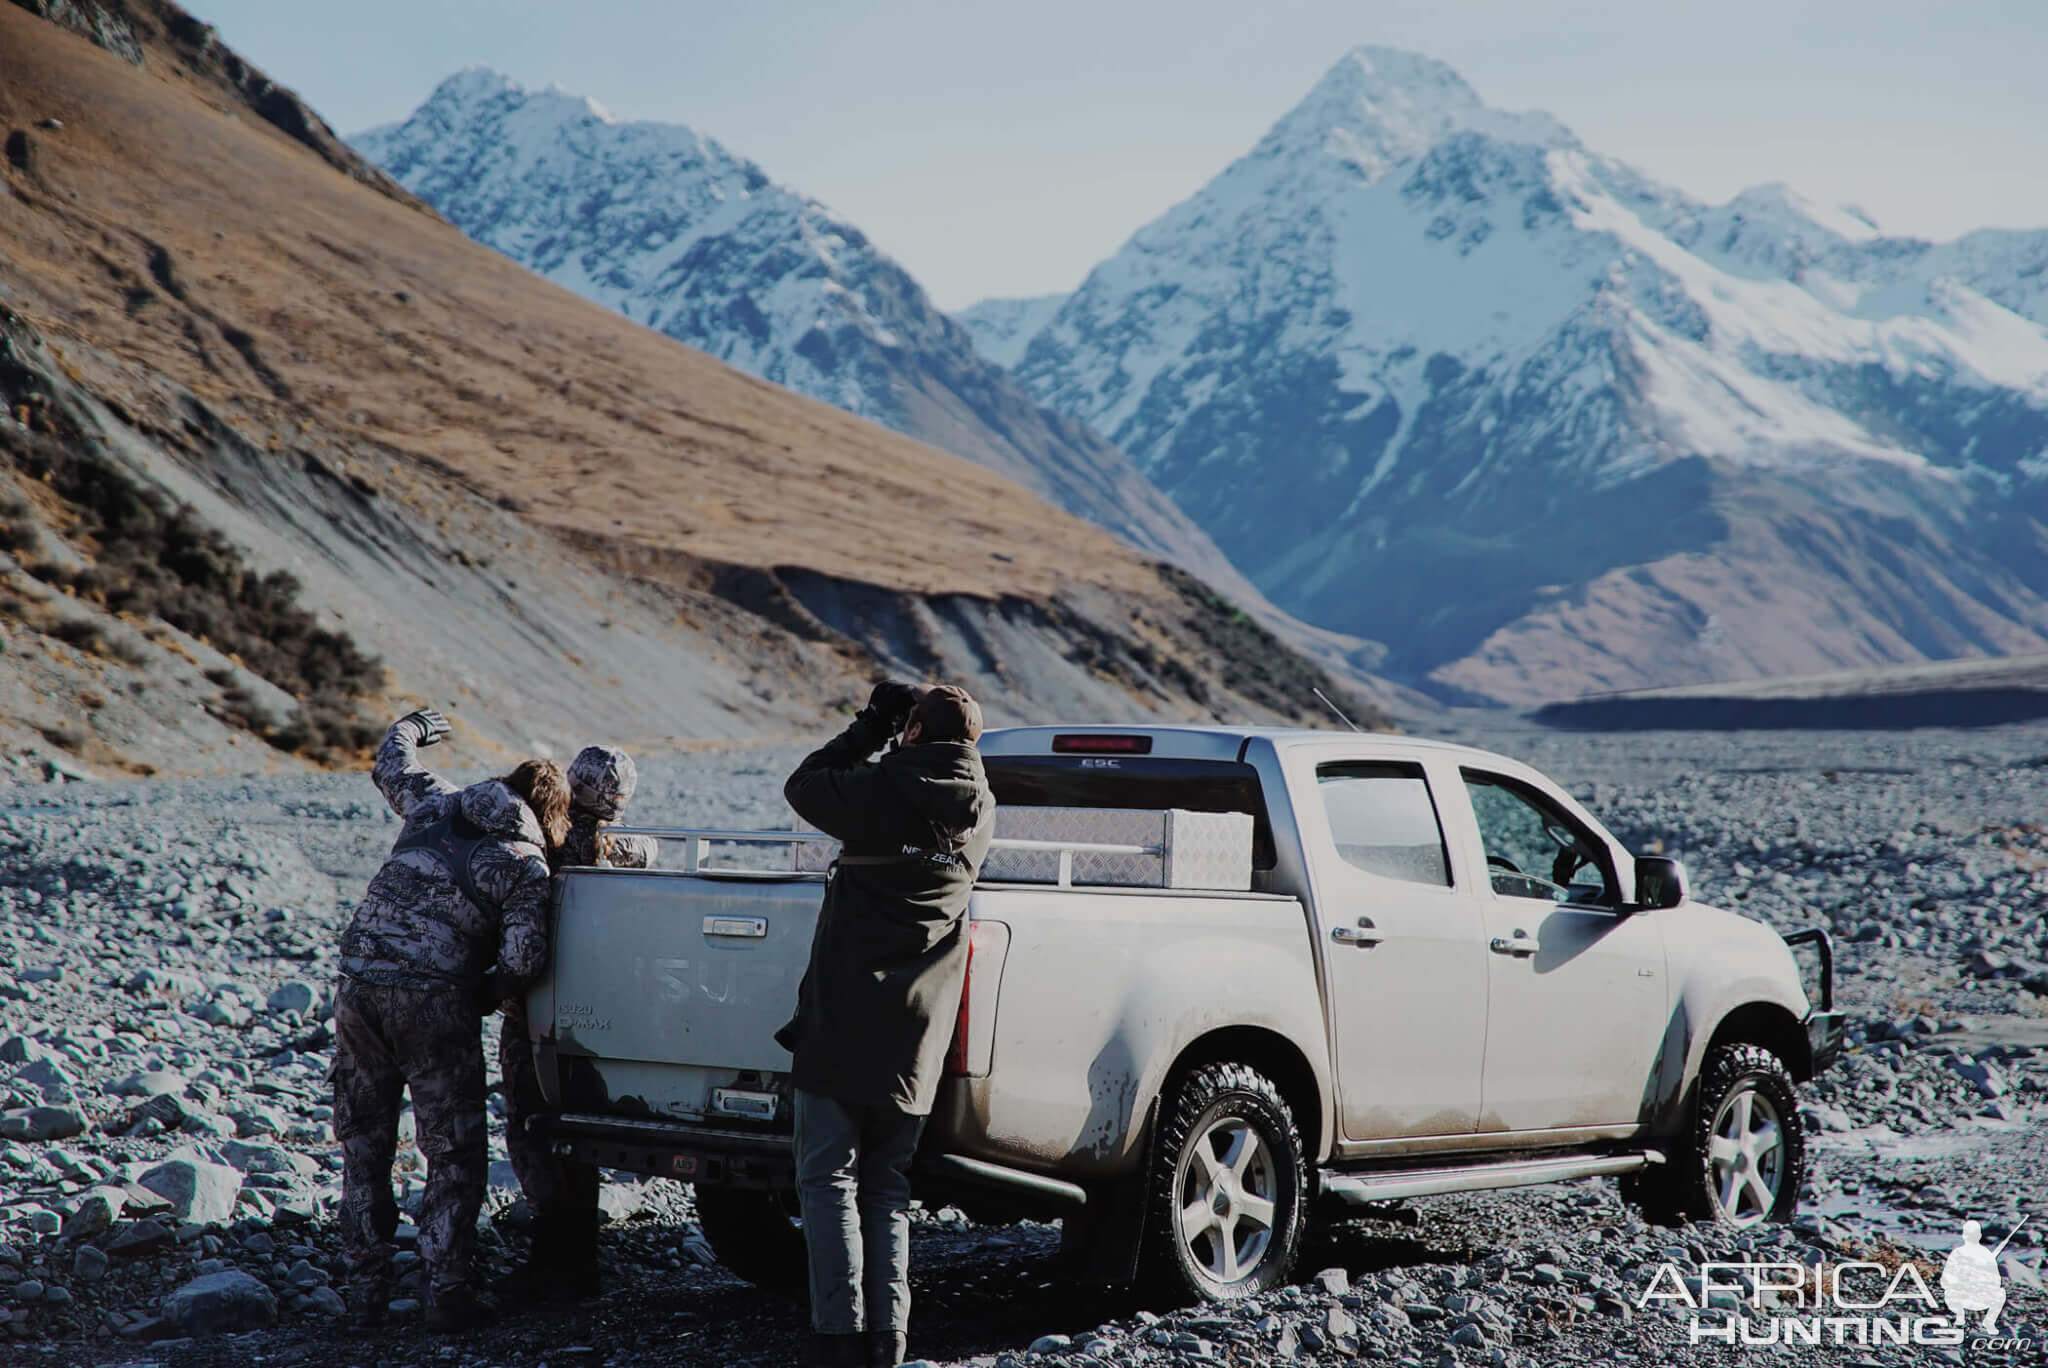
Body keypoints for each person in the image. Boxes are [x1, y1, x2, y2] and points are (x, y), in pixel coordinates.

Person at [776, 681, 994, 1368]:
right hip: (916, 1035)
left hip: (843, 1018)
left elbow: (804, 783)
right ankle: (886, 1341)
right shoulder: (980, 810)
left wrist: (870, 725)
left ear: (913, 734)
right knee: (886, 1185)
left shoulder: (875, 790)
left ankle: (837, 1338)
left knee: (828, 1178)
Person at [331, 708, 568, 1333]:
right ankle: (448, 1293)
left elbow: (391, 764)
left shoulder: (436, 804)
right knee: (452, 1152)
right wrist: (483, 996)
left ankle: (363, 1297)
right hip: (433, 1003)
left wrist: (413, 726)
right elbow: (524, 957)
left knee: (363, 1146)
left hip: (356, 986)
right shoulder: (523, 862)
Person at [495, 745, 658, 1302]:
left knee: (532, 1129)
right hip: (598, 1017)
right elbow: (642, 846)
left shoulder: (547, 843)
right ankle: (579, 1258)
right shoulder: (627, 850)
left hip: (536, 1011)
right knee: (579, 1135)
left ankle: (552, 1259)